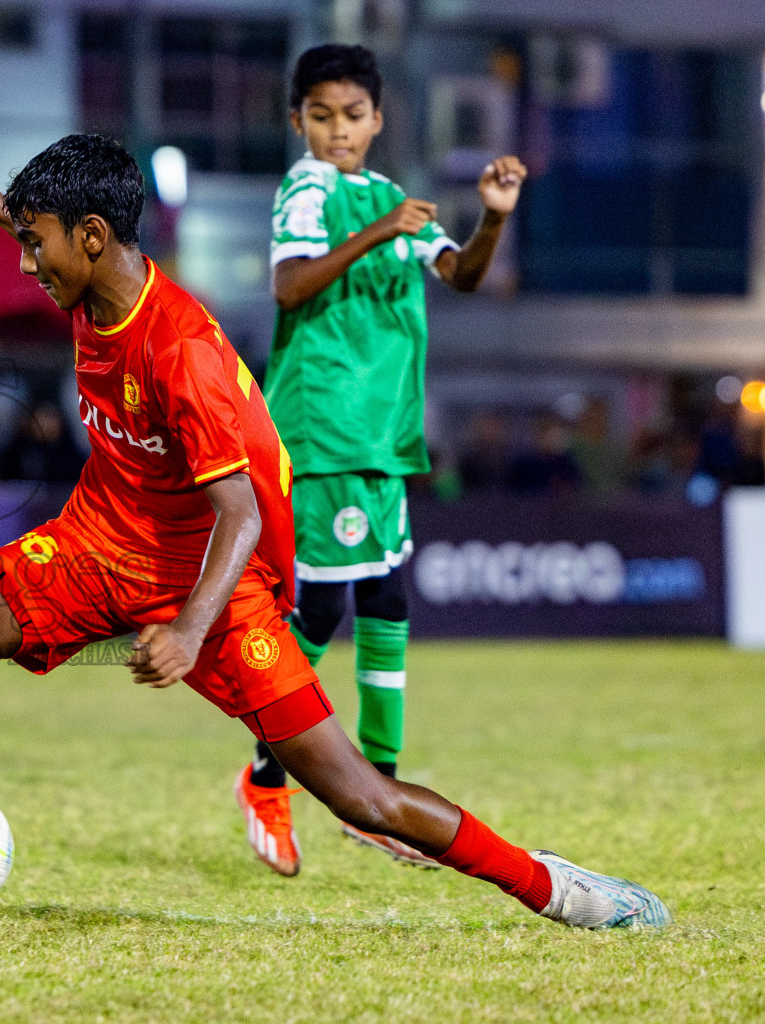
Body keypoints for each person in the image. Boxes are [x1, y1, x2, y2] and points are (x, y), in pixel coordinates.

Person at [0, 134, 669, 945]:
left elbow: (239, 515)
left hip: (211, 585)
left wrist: (188, 631)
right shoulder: (88, 272)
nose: (25, 262)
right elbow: (45, 225)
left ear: (91, 237)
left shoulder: (183, 353)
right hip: (94, 545)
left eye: (33, 242)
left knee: (361, 797)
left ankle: (557, 886)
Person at [236, 44, 528, 875]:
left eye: (353, 115)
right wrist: (375, 233)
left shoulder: (395, 199)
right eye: (321, 115)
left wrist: (494, 217)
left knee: (390, 599)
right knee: (323, 613)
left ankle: (381, 792)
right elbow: (290, 287)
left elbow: (460, 275)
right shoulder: (308, 189)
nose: (339, 130)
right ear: (298, 120)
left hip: (384, 437)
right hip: (322, 427)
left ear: (378, 119)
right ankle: (265, 775)